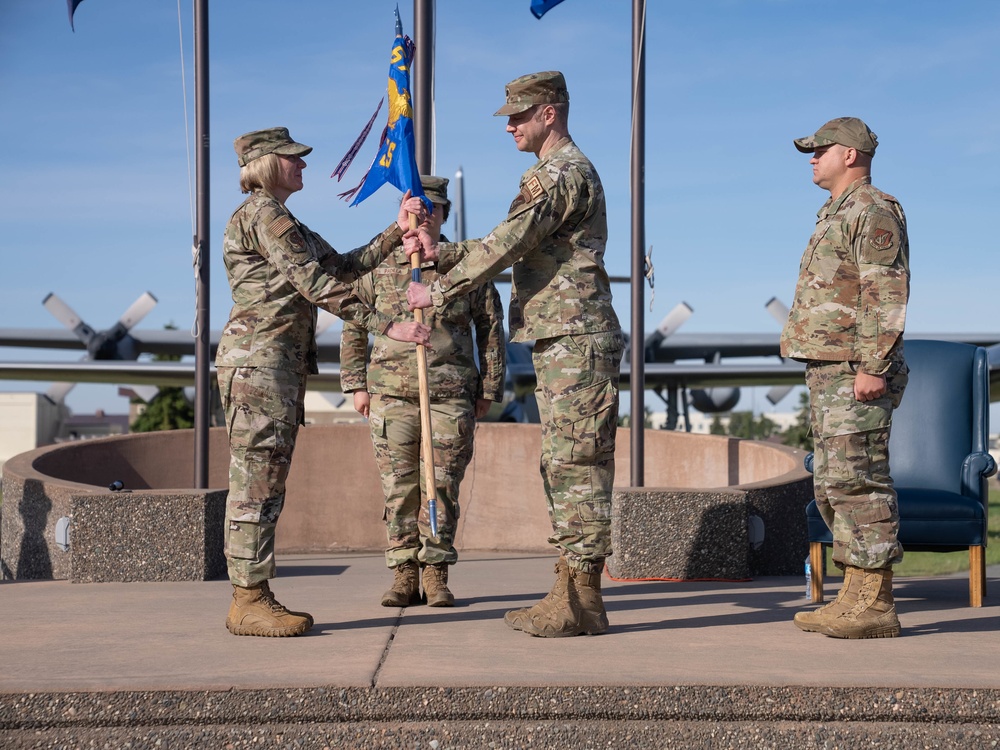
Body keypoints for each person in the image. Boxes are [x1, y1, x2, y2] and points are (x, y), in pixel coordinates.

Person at [406, 72, 624, 637]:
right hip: (562, 338)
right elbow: (509, 238)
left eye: (518, 115)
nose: (509, 124)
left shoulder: (562, 173)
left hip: (576, 337)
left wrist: (440, 288)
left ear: (549, 113)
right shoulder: (552, 174)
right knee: (563, 465)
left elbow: (509, 242)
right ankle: (573, 592)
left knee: (577, 466)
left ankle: (582, 596)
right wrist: (441, 252)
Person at [217, 127, 431, 637]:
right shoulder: (263, 214)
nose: (304, 165)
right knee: (256, 481)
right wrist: (387, 323)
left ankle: (253, 593)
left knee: (266, 480)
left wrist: (394, 232)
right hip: (258, 365)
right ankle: (248, 599)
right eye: (294, 159)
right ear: (267, 163)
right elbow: (313, 283)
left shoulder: (283, 219)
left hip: (274, 366)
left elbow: (339, 266)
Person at [341, 175, 507, 608]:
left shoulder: (467, 263)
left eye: (430, 210)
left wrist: (489, 387)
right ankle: (403, 573)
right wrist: (356, 383)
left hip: (449, 394)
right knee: (399, 488)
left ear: (444, 214)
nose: (422, 217)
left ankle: (435, 571)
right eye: (414, 210)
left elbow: (491, 329)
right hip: (392, 395)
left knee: (442, 486)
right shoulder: (379, 265)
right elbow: (355, 322)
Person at [780, 117, 910, 639]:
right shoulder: (835, 212)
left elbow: (886, 291)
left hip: (857, 370)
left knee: (860, 481)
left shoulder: (874, 210)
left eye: (821, 150)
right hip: (830, 370)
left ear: (850, 154)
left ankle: (876, 604)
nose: (812, 158)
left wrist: (874, 367)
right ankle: (854, 593)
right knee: (834, 485)